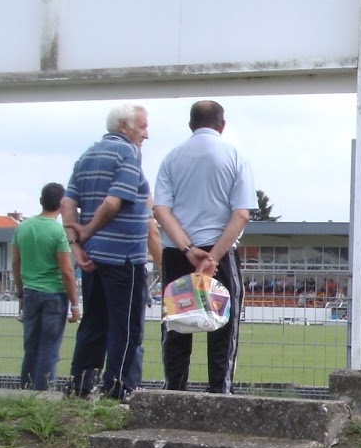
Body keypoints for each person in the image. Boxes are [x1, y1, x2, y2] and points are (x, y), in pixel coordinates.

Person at [153, 100, 255, 394]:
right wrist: (215, 256)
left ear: (190, 125)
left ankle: (174, 389)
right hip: (218, 251)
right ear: (222, 125)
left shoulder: (172, 158)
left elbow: (161, 209)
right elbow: (241, 213)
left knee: (176, 322)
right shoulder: (235, 156)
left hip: (178, 251)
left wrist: (187, 248)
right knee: (224, 322)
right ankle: (220, 391)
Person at [63, 103, 152, 401]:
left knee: (93, 323)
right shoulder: (128, 154)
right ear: (125, 126)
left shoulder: (87, 154)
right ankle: (119, 389)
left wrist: (78, 244)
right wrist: (87, 232)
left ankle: (80, 385)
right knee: (126, 327)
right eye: (142, 127)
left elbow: (67, 202)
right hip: (123, 255)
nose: (146, 134)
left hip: (92, 257)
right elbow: (115, 202)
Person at [10, 181, 81, 390]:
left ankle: (25, 391)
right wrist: (75, 304)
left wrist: (21, 294)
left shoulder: (22, 228)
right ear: (62, 204)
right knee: (49, 349)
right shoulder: (59, 232)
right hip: (55, 295)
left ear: (41, 201)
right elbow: (67, 271)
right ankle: (43, 394)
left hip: (30, 293)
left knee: (30, 348)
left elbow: (16, 264)